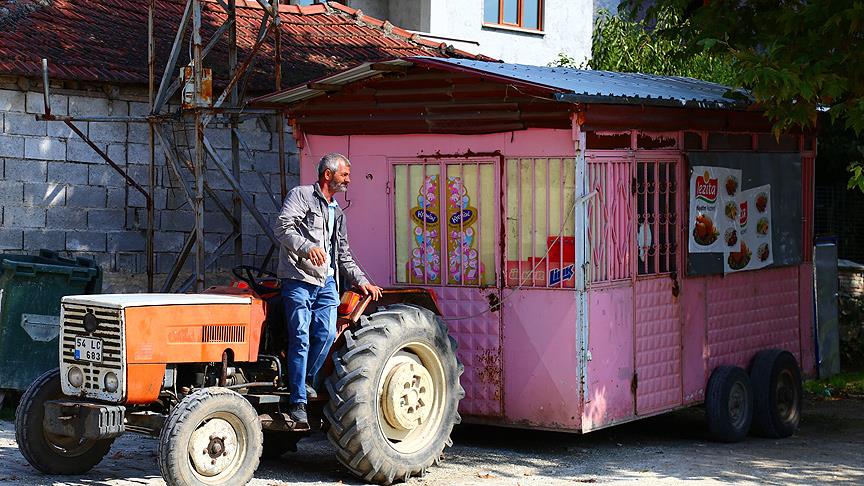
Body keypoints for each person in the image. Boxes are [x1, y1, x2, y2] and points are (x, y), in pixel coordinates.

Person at [275, 152, 383, 428]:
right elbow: (282, 227)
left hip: (327, 283)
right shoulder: (300, 196)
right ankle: (298, 401)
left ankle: (302, 382)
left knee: (325, 334)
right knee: (300, 336)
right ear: (328, 174)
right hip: (299, 279)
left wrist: (362, 280)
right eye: (345, 174)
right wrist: (307, 247)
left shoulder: (338, 213)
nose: (349, 179)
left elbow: (344, 256)